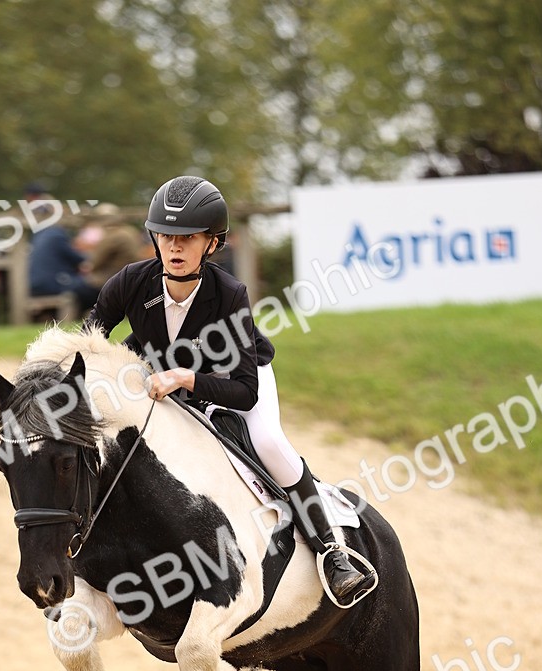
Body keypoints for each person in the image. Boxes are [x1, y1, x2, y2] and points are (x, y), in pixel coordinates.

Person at [85, 175, 376, 608]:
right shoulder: (130, 282)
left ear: (212, 244)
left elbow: (242, 392)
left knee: (269, 443)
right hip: (167, 372)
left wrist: (184, 378)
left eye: (188, 238)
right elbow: (88, 343)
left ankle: (333, 552)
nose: (175, 248)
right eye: (165, 236)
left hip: (240, 375)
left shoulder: (229, 294)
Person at [28, 205, 99, 316]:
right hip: (52, 284)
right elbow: (77, 258)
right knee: (93, 289)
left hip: (36, 285)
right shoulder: (57, 234)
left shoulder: (39, 235)